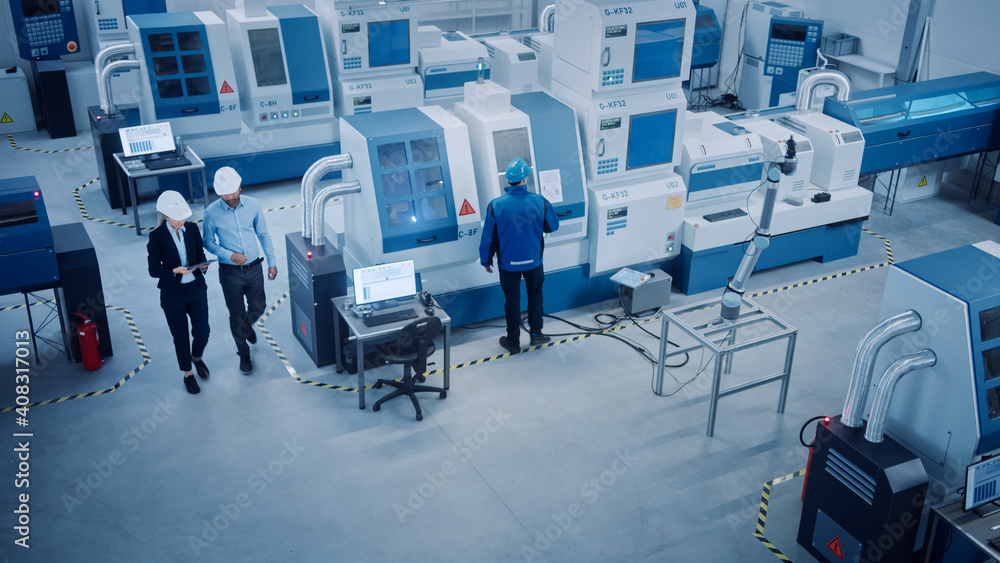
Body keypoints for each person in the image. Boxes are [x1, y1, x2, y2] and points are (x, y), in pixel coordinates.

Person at [202, 166, 277, 375]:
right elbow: (207, 242)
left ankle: (247, 327)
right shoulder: (211, 213)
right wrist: (229, 254)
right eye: (223, 194)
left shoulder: (253, 205)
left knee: (259, 306)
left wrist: (272, 261)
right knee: (235, 315)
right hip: (230, 273)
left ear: (239, 187)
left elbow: (263, 234)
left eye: (232, 192)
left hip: (255, 269)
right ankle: (243, 354)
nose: (228, 197)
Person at [479, 158, 559, 353]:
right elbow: (553, 226)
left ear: (508, 181)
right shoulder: (540, 201)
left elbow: (488, 237)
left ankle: (513, 342)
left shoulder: (495, 205)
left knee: (512, 301)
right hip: (534, 261)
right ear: (525, 180)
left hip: (508, 264)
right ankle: (536, 335)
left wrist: (486, 261)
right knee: (535, 294)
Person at [147, 191, 211, 395]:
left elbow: (200, 253)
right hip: (173, 294)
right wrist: (174, 271)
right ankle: (188, 373)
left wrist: (203, 266)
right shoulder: (156, 237)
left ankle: (197, 356)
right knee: (180, 335)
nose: (183, 220)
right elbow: (153, 270)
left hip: (196, 288)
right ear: (165, 216)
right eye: (177, 218)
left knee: (203, 331)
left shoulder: (191, 229)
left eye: (184, 216)